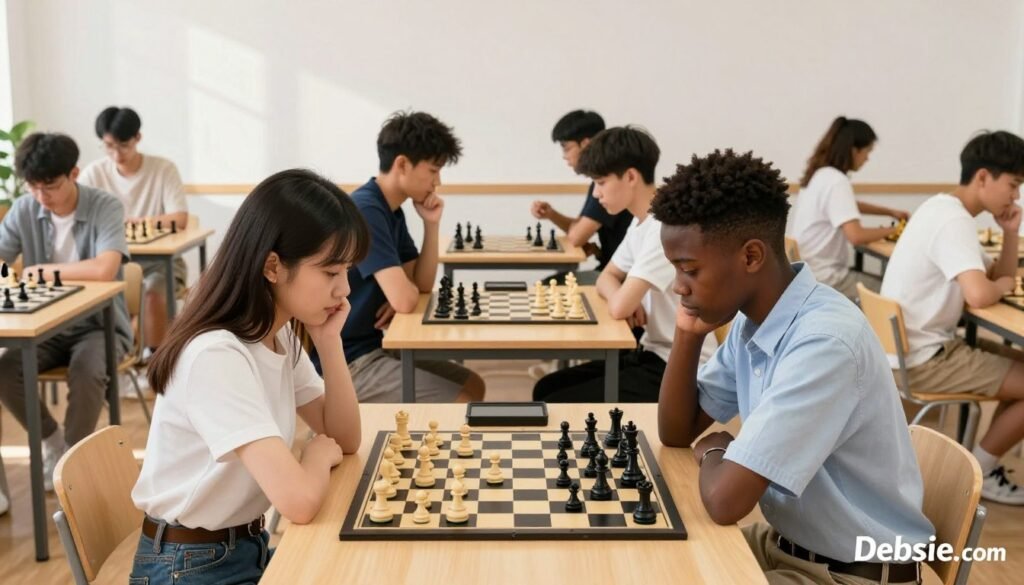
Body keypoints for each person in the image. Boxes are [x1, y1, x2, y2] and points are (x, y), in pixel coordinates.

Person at [656, 149, 931, 584]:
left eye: (688, 269)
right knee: (655, 567)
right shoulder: (755, 321)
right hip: (786, 546)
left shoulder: (823, 342)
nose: (677, 284)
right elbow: (676, 430)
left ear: (750, 257)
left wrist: (715, 451)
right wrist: (688, 337)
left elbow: (726, 502)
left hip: (850, 574)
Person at [131, 169, 367, 583]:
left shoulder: (276, 336)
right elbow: (298, 501)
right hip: (188, 567)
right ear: (272, 266)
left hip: (239, 548)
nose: (344, 289)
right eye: (330, 273)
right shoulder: (216, 355)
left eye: (347, 271)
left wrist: (328, 342)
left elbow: (343, 437)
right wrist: (312, 456)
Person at [881, 130, 1024, 504]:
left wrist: (1011, 233)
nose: (1016, 196)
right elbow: (980, 293)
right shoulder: (953, 221)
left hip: (912, 349)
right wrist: (1007, 283)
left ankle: (983, 465)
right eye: (1013, 184)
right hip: (924, 358)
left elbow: (992, 276)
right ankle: (976, 476)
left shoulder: (942, 208)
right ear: (982, 177)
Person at [533, 126, 715, 402]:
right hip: (652, 352)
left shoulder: (666, 227)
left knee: (555, 400)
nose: (596, 194)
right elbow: (607, 276)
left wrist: (625, 298)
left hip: (682, 367)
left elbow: (618, 306)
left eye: (601, 182)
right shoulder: (641, 221)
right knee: (545, 388)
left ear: (630, 176)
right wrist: (626, 296)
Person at [0, 132, 131, 491]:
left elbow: (106, 268)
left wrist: (44, 272)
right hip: (46, 326)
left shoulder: (105, 205)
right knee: (6, 366)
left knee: (88, 368)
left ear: (73, 173)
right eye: (33, 188)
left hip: (98, 325)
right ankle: (52, 443)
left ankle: (72, 459)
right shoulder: (26, 208)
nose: (42, 198)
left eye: (50, 187)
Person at [328, 111, 485, 402]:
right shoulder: (366, 210)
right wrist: (400, 291)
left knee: (473, 385)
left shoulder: (392, 211)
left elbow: (421, 285)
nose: (437, 182)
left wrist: (431, 223)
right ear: (402, 163)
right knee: (462, 398)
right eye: (433, 170)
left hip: (376, 347)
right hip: (347, 362)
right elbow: (406, 299)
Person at [80, 106, 189, 353]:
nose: (116, 154)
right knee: (97, 299)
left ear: (137, 138)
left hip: (162, 264)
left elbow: (180, 219)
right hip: (112, 264)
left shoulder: (163, 169)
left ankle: (155, 361)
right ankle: (123, 362)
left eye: (123, 145)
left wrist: (133, 223)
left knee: (151, 294)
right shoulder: (94, 173)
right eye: (109, 146)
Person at [790, 116, 908, 300]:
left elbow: (848, 205)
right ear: (854, 150)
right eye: (867, 151)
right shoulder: (837, 181)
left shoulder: (820, 175)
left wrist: (890, 212)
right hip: (827, 279)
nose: (867, 158)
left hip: (808, 273)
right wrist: (896, 230)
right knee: (895, 293)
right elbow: (856, 236)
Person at [531, 110, 632, 284]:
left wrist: (581, 236)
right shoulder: (600, 182)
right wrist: (552, 214)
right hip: (611, 273)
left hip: (618, 279)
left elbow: (577, 236)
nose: (564, 156)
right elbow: (578, 228)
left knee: (546, 288)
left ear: (586, 144)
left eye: (566, 147)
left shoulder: (608, 183)